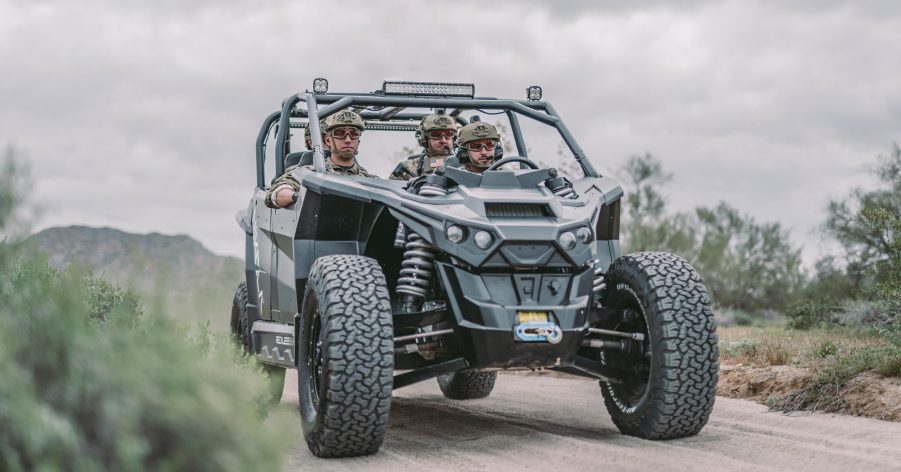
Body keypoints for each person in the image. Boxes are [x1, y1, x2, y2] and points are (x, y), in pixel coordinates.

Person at [266, 110, 373, 208]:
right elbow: (275, 194)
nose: (348, 140)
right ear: (327, 141)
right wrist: (297, 197)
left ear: (358, 141)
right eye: (340, 134)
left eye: (354, 134)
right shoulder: (309, 173)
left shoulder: (370, 180)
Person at [390, 113, 457, 180]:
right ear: (424, 139)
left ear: (454, 138)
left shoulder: (464, 167)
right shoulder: (407, 170)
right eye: (436, 134)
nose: (443, 140)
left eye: (449, 134)